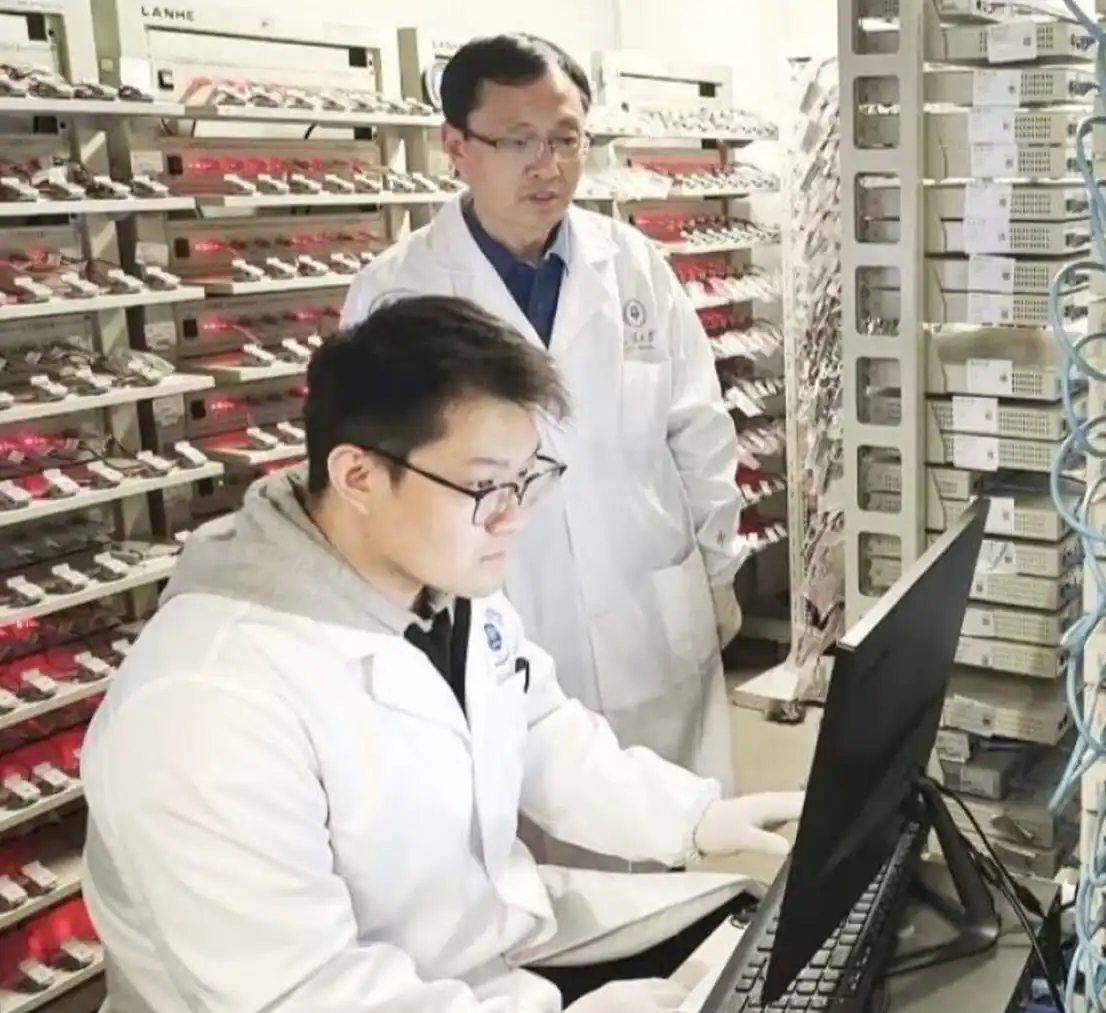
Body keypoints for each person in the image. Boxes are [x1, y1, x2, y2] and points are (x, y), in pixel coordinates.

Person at [80, 296, 804, 1013]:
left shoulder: (437, 579)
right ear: (358, 476)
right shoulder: (205, 703)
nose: (513, 518)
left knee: (768, 937)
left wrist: (693, 819)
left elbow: (541, 734)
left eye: (527, 479)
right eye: (485, 486)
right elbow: (303, 994)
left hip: (480, 954)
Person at [340, 35, 745, 791]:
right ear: (456, 146)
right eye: (518, 140)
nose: (547, 165)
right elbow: (373, 496)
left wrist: (718, 568)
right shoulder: (397, 294)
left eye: (566, 139)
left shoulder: (633, 265)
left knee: (677, 830)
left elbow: (698, 429)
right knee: (532, 836)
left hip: (650, 613)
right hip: (501, 624)